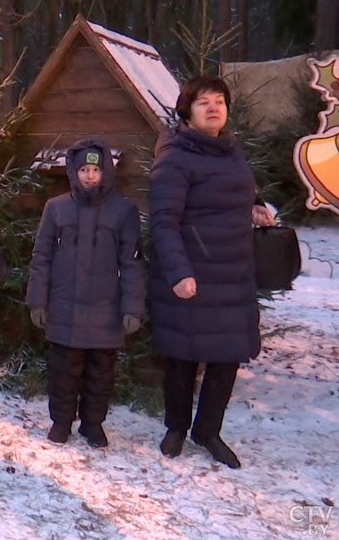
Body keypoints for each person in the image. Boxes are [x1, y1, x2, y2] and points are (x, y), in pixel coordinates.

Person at [149, 75, 276, 469]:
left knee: (227, 356)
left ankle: (208, 431)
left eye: (219, 100)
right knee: (183, 356)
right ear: (186, 111)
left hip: (234, 271)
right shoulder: (174, 156)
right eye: (204, 101)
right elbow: (164, 221)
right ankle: (176, 428)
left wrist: (255, 208)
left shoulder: (230, 150)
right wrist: (178, 273)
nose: (214, 107)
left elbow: (236, 194)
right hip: (193, 272)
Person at [26, 139, 145, 448]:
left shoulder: (124, 211)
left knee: (100, 375)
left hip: (106, 311)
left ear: (106, 172)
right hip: (64, 309)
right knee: (63, 373)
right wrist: (37, 300)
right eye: (84, 170)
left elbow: (132, 263)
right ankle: (61, 422)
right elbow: (41, 258)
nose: (90, 176)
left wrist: (132, 307)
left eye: (96, 169)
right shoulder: (56, 208)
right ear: (73, 173)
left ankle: (93, 424)